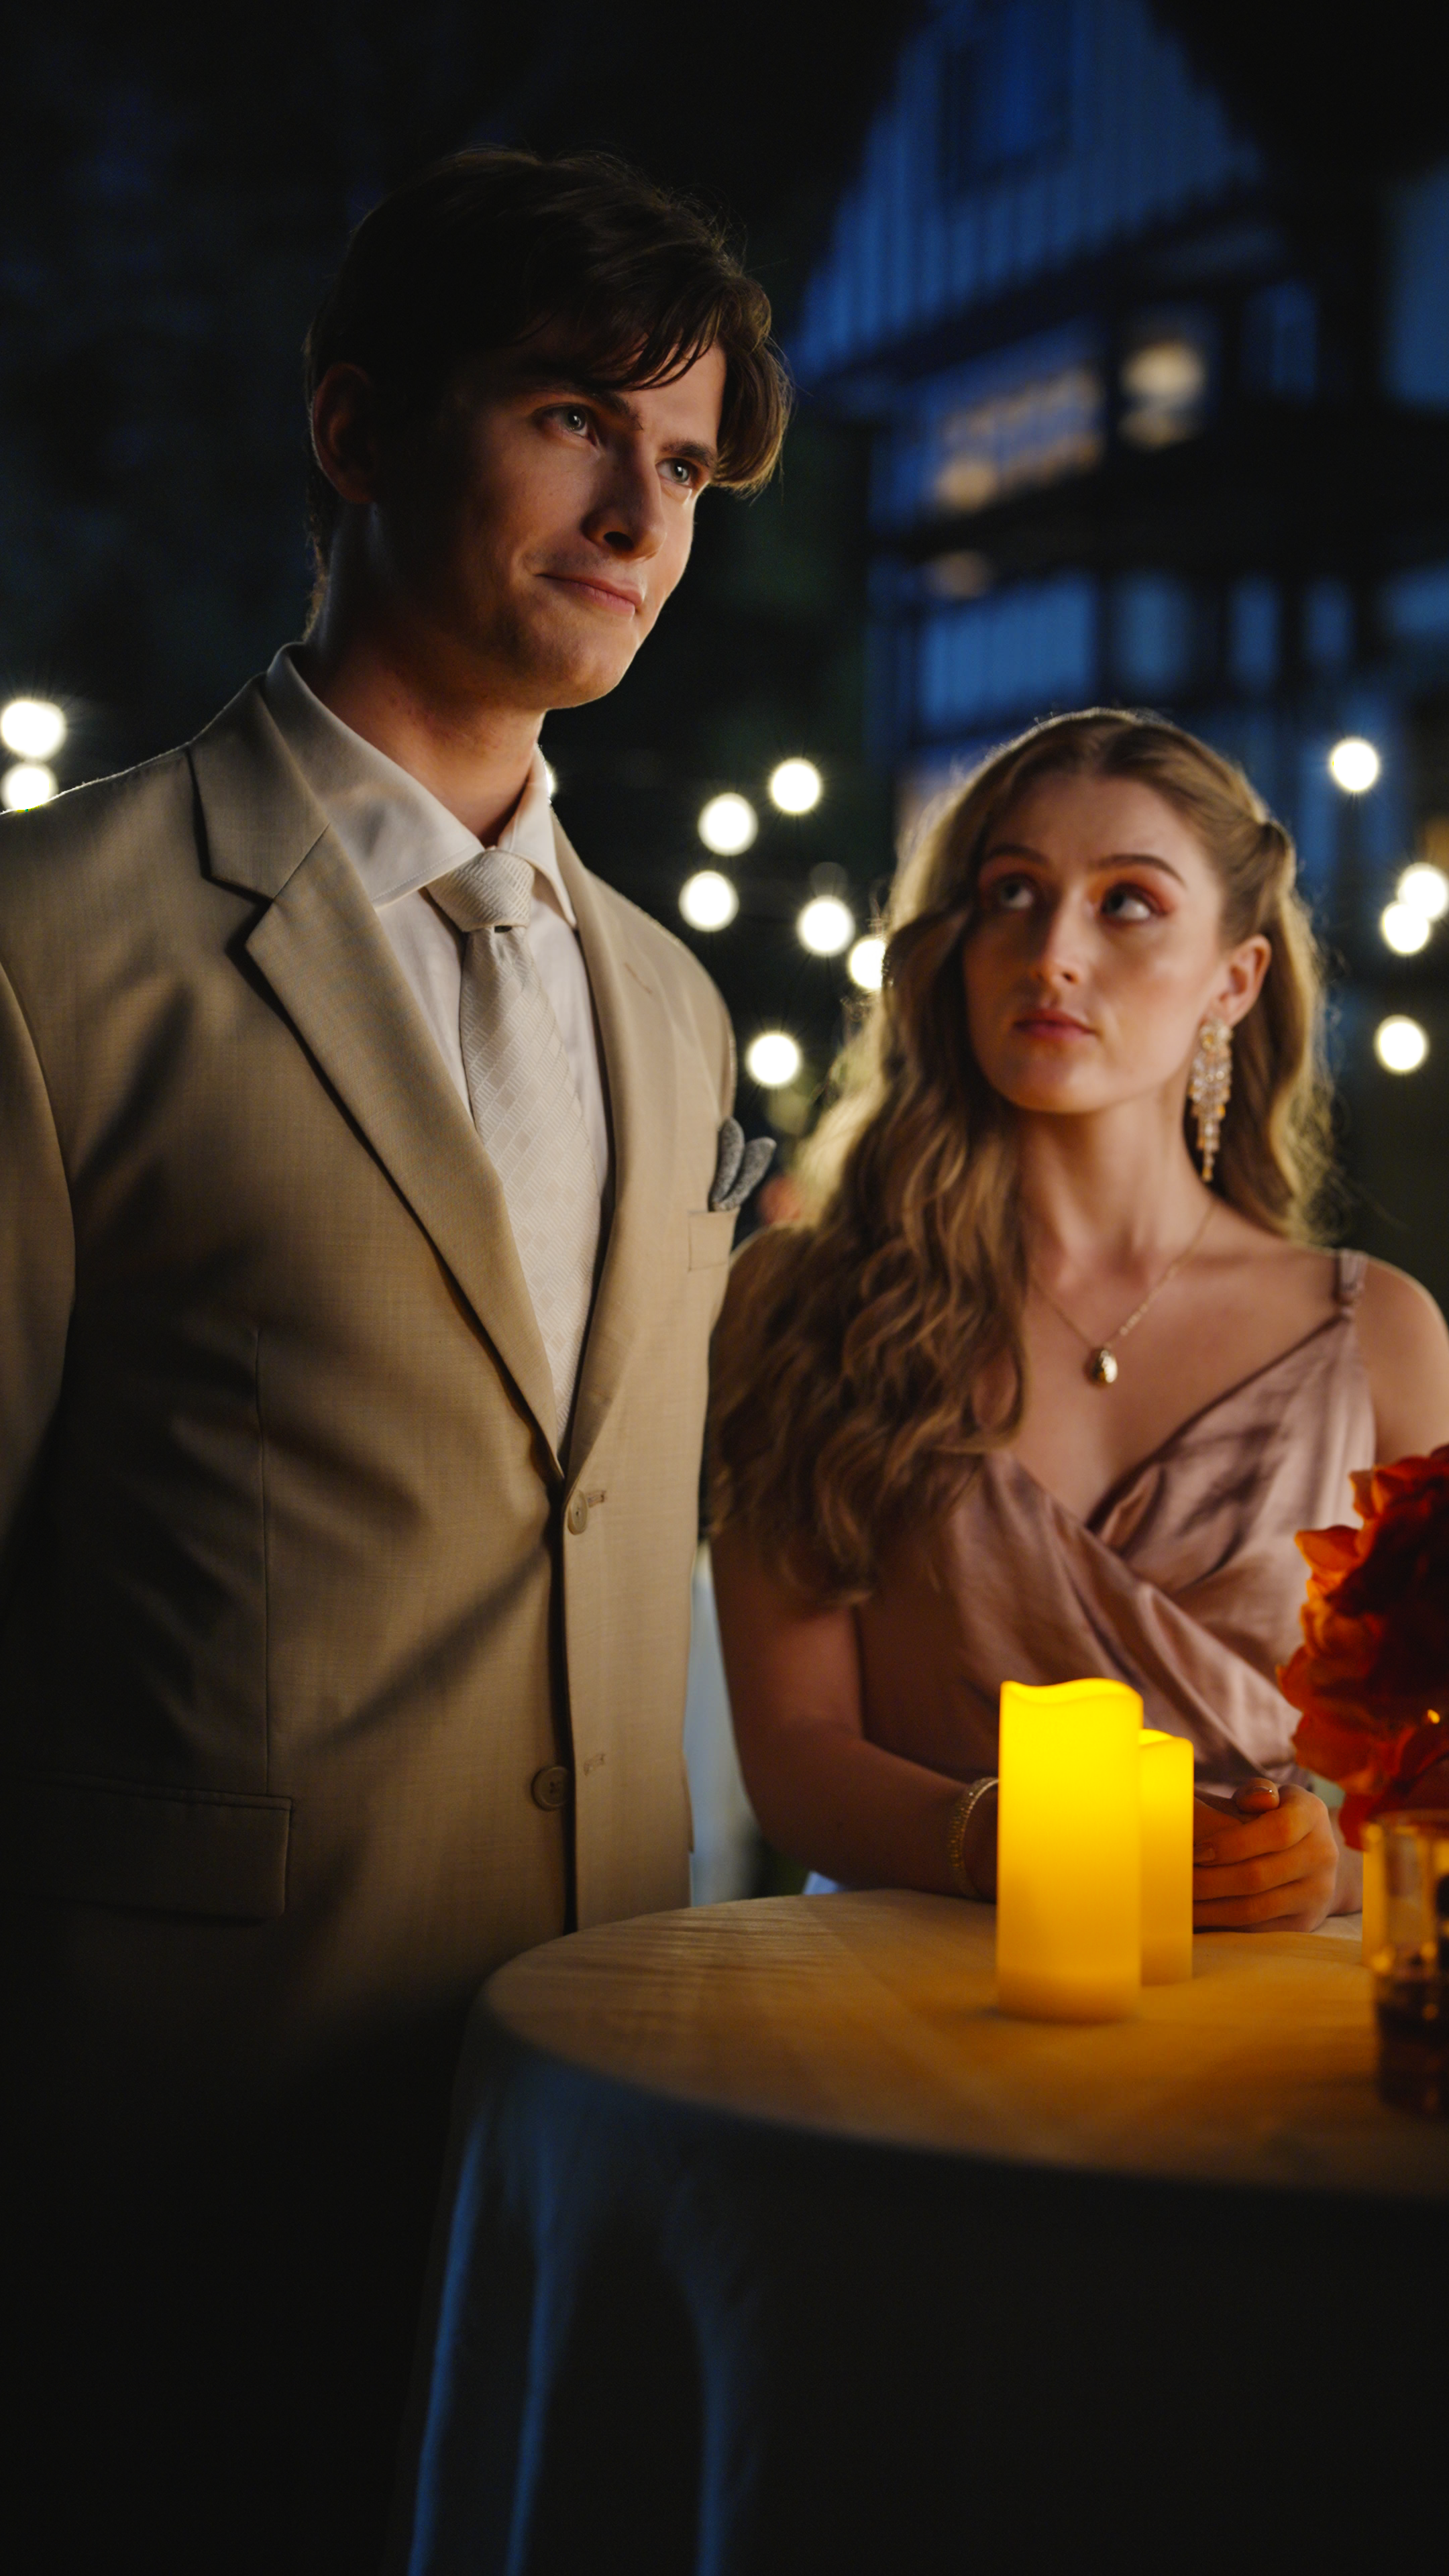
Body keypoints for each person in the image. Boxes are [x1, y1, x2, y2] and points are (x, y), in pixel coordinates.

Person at [0, 149, 786, 2573]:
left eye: (684, 464)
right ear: (354, 429)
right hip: (166, 2138)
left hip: (598, 2125)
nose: (643, 510)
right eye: (577, 420)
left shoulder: (670, 998)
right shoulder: (52, 949)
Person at [710, 710, 1449, 1931]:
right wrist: (1007, 1840)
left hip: (1252, 2035)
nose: (1053, 948)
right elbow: (792, 1754)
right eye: (1013, 891)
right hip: (906, 2003)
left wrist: (1336, 1877)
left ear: (1237, 978)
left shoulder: (1378, 1337)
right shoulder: (804, 1300)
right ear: (957, 943)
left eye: (1127, 903)